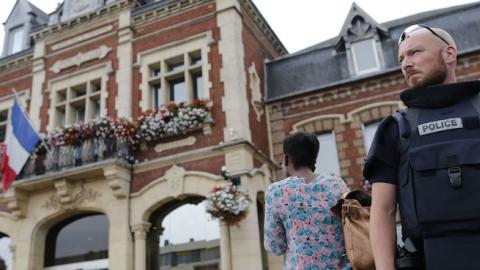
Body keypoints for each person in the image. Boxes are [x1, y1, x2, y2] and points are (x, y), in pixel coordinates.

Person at [364, 25, 480, 270]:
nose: (406, 63)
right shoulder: (395, 128)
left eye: (415, 52)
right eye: (402, 58)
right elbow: (383, 210)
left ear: (449, 54)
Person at [263, 132, 351, 270]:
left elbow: (274, 247)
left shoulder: (276, 192)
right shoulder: (337, 184)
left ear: (286, 159)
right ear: (314, 160)